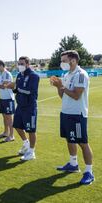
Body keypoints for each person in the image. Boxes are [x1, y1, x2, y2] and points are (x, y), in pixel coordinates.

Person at [50, 50, 94, 185]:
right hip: (66, 113)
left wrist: (61, 85)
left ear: (73, 60)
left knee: (82, 143)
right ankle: (73, 164)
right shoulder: (67, 74)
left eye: (64, 61)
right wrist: (59, 87)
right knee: (70, 139)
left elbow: (76, 95)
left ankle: (89, 172)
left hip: (77, 114)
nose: (62, 63)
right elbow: (63, 96)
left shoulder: (81, 75)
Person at [5, 56, 40, 161]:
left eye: (22, 64)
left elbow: (31, 91)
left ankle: (31, 152)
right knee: (17, 126)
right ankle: (26, 143)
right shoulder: (19, 75)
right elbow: (17, 90)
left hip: (30, 107)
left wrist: (16, 88)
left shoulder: (34, 76)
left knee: (31, 130)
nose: (20, 66)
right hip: (20, 106)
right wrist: (11, 86)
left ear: (27, 64)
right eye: (19, 64)